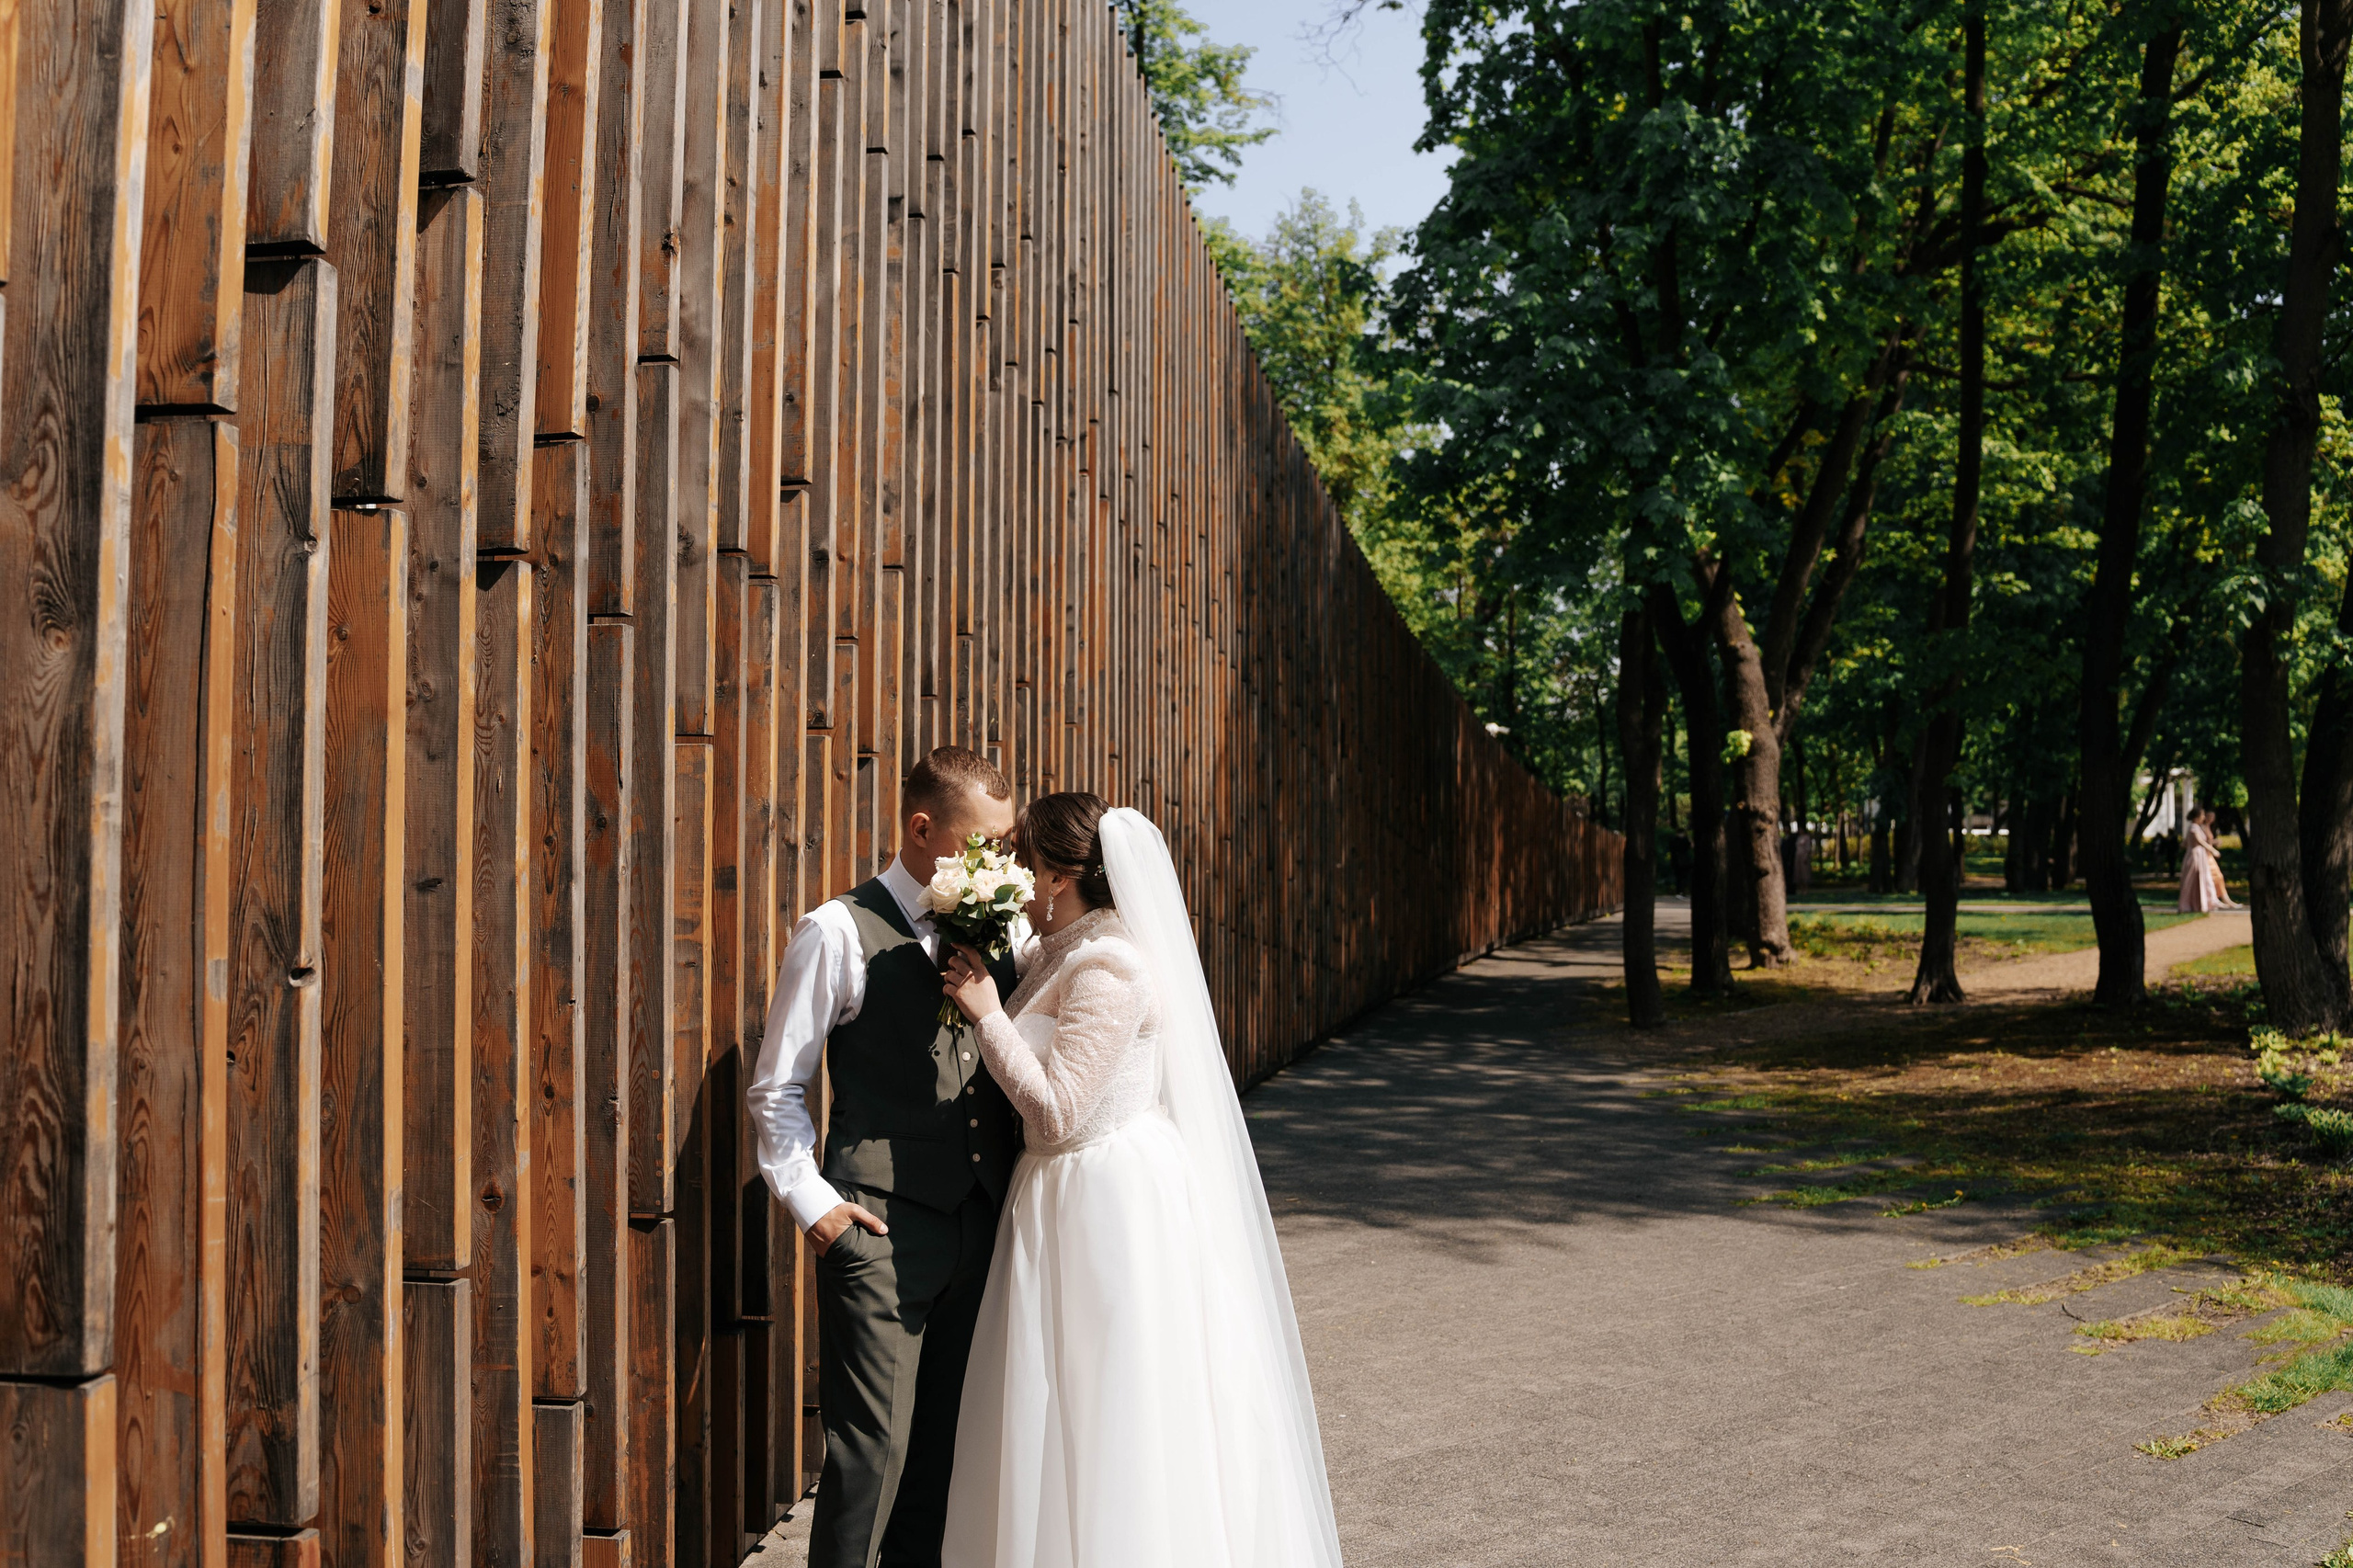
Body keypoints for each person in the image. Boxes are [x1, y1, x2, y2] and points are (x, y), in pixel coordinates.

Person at [937, 793, 1345, 1568]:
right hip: (1050, 1196)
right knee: (1045, 1407)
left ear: (1057, 874)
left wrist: (989, 1017)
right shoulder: (1053, 948)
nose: (1017, 873)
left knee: (1107, 1402)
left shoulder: (1112, 967)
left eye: (1025, 859)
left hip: (1104, 1203)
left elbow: (1059, 1113)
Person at [746, 746, 1027, 1568]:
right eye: (987, 844)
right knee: (871, 1457)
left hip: (979, 1225)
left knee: (942, 1457)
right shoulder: (835, 931)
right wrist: (816, 1206)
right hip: (878, 1232)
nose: (1001, 862)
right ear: (920, 828)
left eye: (1008, 845)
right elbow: (777, 1088)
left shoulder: (1001, 924)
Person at [2177, 805, 2240, 912]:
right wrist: (2212, 849)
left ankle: (2204, 903)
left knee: (2200, 880)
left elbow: (2185, 843)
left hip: (2198, 855)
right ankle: (2191, 905)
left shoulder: (2194, 827)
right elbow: (2200, 841)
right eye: (2202, 815)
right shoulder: (2193, 827)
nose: (2203, 817)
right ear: (2197, 817)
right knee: (2193, 880)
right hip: (2195, 856)